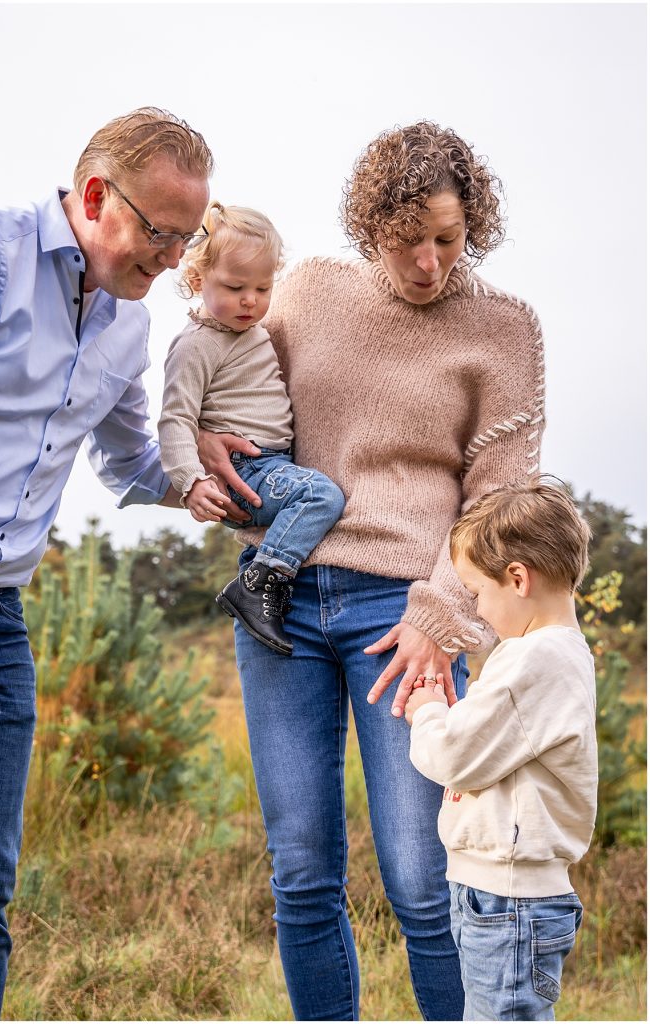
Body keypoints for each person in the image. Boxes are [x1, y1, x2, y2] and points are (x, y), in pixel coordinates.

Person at [196, 120, 547, 1021]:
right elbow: (234, 387)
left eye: (447, 239)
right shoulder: (307, 294)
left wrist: (439, 618)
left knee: (423, 879)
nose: (426, 263)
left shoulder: (503, 332)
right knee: (303, 872)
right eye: (406, 241)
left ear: (474, 226)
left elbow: (498, 499)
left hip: (403, 616)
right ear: (368, 226)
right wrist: (197, 435)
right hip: (279, 605)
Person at [0, 107, 212, 1021]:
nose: (173, 260)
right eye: (161, 233)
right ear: (98, 197)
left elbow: (129, 464)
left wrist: (211, 474)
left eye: (188, 240)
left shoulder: (125, 331)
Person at [405, 480, 597, 1021]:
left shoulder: (532, 660)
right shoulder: (551, 655)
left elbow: (454, 755)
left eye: (475, 592)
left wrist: (427, 713)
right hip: (499, 893)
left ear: (517, 577)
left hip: (509, 900)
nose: (476, 609)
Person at [158, 202, 345, 655]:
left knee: (315, 493)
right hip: (247, 470)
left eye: (263, 287)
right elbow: (175, 418)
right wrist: (191, 483)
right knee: (321, 495)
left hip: (270, 462)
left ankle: (263, 581)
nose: (250, 300)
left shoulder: (252, 331)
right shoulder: (198, 344)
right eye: (236, 286)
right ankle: (259, 584)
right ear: (197, 281)